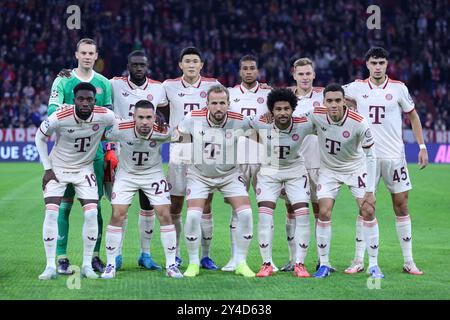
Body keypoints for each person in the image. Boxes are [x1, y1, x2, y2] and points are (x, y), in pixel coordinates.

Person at [343, 47, 428, 275]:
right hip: (365, 157)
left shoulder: (399, 88)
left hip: (394, 157)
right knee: (365, 208)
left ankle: (409, 261)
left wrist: (422, 146)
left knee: (401, 205)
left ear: (387, 64)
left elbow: (413, 116)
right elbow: (329, 95)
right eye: (374, 63)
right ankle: (359, 260)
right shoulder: (356, 88)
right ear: (367, 64)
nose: (378, 66)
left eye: (381, 62)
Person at [35, 82, 116, 280]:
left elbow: (119, 128)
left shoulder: (105, 115)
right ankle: (50, 266)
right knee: (52, 212)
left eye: (89, 99)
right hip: (58, 169)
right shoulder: (59, 116)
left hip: (84, 169)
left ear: (95, 101)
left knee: (91, 213)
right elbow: (39, 137)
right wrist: (47, 169)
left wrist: (112, 150)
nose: (85, 103)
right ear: (74, 100)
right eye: (81, 99)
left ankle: (87, 265)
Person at [173, 85, 255, 278]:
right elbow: (179, 134)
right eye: (214, 103)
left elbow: (257, 135)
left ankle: (241, 262)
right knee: (193, 216)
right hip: (200, 175)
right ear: (207, 104)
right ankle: (193, 263)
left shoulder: (239, 120)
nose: (218, 107)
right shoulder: (193, 117)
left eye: (222, 103)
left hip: (229, 175)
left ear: (228, 104)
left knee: (246, 214)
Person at [48, 38, 112, 275]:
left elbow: (109, 118)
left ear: (96, 56)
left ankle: (94, 257)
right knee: (63, 207)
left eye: (91, 53)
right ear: (76, 54)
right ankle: (61, 257)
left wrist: (110, 148)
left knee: (94, 208)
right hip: (65, 155)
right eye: (83, 52)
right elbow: (52, 111)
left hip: (94, 155)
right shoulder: (63, 79)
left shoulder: (104, 83)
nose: (87, 56)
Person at [308, 84, 383, 279]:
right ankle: (324, 264)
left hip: (355, 169)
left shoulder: (359, 122)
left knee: (368, 210)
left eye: (337, 100)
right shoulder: (316, 114)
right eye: (329, 101)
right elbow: (296, 127)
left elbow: (371, 156)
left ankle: (373, 265)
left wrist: (370, 191)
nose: (333, 105)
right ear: (324, 102)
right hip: (329, 170)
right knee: (323, 211)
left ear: (344, 101)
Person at [101, 100, 182, 279]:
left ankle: (171, 265)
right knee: (117, 215)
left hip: (153, 174)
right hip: (126, 175)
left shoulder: (163, 130)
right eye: (140, 117)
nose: (144, 122)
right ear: (133, 117)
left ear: (154, 118)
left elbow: (184, 136)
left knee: (165, 214)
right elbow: (100, 135)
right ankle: (110, 264)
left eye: (148, 117)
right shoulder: (121, 128)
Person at [160, 47, 221, 270]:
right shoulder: (168, 85)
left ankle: (205, 256)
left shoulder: (213, 85)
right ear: (180, 65)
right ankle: (175, 254)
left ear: (202, 65)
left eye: (196, 61)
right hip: (180, 148)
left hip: (206, 149)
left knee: (205, 204)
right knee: (175, 204)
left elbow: (226, 104)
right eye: (188, 61)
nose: (192, 65)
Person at [109, 50, 168, 271]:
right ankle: (116, 255)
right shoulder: (115, 84)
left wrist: (161, 116)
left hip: (149, 154)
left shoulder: (158, 87)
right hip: (122, 151)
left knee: (148, 205)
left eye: (142, 64)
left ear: (147, 65)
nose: (139, 68)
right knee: (120, 208)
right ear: (128, 65)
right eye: (134, 65)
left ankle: (146, 254)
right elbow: (91, 79)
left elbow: (165, 108)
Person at [250, 88, 314, 277]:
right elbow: (238, 122)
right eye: (278, 109)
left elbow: (326, 121)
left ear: (293, 108)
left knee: (302, 215)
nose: (283, 112)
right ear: (271, 111)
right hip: (269, 172)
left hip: (295, 171)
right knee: (264, 217)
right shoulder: (260, 122)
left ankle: (299, 263)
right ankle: (266, 264)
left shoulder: (304, 123)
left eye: (286, 108)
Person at [223, 54, 273, 272]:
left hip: (264, 157)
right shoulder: (230, 94)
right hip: (238, 158)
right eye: (245, 68)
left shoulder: (268, 93)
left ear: (258, 70)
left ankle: (268, 260)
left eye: (253, 68)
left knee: (266, 208)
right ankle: (235, 258)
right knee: (237, 209)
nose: (249, 71)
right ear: (240, 71)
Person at [281, 57, 326, 272]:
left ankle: (321, 259)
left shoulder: (325, 97)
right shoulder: (287, 98)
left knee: (320, 211)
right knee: (291, 210)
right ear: (294, 75)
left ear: (314, 75)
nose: (305, 77)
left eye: (308, 73)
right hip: (293, 163)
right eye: (301, 74)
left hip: (319, 162)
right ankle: (292, 260)